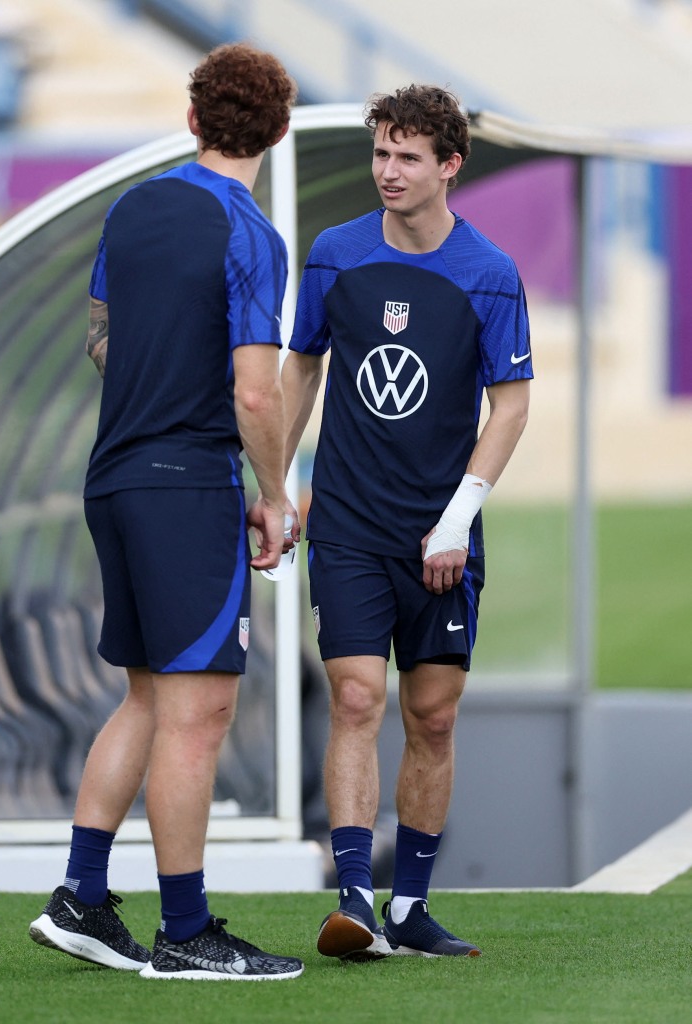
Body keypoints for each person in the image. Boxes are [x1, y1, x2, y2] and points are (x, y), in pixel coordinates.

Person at [29, 43, 303, 982]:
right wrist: (275, 497)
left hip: (114, 477)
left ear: (192, 122)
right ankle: (185, 934)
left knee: (147, 697)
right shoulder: (252, 235)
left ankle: (82, 898)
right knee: (199, 711)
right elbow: (257, 396)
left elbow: (101, 339)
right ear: (278, 129)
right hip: (187, 487)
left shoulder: (133, 205)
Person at [282, 84, 532, 961]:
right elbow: (299, 371)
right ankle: (353, 897)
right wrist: (276, 484)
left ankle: (408, 909)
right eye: (380, 153)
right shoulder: (333, 254)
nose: (387, 171)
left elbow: (510, 406)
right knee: (357, 698)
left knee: (432, 718)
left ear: (449, 166)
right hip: (347, 524)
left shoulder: (490, 272)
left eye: (407, 156)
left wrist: (457, 520)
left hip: (442, 536)